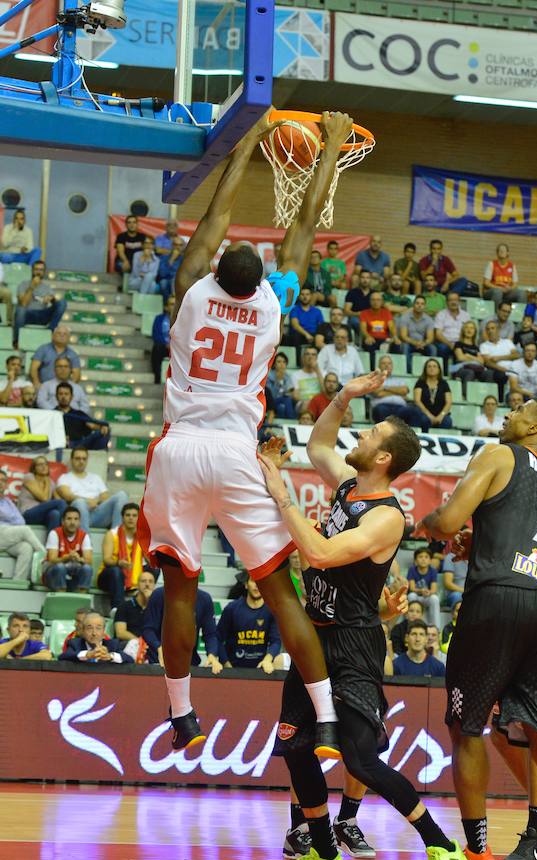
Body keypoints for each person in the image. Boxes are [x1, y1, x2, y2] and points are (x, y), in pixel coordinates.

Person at [138, 111, 357, 755]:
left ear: (213, 269)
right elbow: (306, 225)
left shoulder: (189, 290)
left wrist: (245, 144)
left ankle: (182, 716)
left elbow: (216, 218)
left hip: (180, 450)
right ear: (259, 278)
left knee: (180, 584)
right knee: (277, 588)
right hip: (238, 454)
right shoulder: (273, 302)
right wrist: (332, 149)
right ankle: (325, 718)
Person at [259, 373, 469, 860]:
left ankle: (444, 850)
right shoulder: (350, 485)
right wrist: (345, 396)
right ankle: (324, 856)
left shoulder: (387, 518)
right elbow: (319, 443)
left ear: (383, 459)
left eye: (371, 433)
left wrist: (281, 493)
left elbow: (321, 553)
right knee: (295, 747)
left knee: (358, 759)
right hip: (316, 635)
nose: (361, 435)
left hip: (353, 643)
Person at [417, 398, 537, 860]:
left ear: (535, 428)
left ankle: (479, 859)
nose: (507, 414)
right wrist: (481, 542)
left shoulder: (499, 456)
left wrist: (432, 525)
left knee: (466, 726)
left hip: (494, 601)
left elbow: (449, 519)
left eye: (518, 409)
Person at [142, 584, 222, 672]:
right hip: (158, 661)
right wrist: (159, 647)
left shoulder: (204, 599)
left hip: (189, 662)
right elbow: (148, 629)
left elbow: (210, 634)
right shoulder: (159, 595)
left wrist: (212, 654)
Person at [217, 575, 281, 672]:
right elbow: (218, 638)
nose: (257, 585)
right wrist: (226, 664)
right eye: (253, 581)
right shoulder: (232, 609)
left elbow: (276, 641)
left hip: (261, 669)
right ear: (246, 585)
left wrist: (268, 660)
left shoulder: (272, 610)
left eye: (261, 582)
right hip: (233, 669)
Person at [56, 448, 129, 533]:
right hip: (77, 514)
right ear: (71, 460)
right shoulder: (65, 478)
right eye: (78, 458)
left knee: (122, 495)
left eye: (84, 459)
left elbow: (105, 495)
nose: (81, 461)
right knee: (80, 502)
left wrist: (96, 501)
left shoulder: (95, 478)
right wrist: (86, 501)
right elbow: (67, 496)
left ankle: (117, 538)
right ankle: (85, 543)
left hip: (98, 513)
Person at [0, 468, 45, 581]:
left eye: (4, 480)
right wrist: (12, 520)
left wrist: (10, 521)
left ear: (6, 485)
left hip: (7, 536)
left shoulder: (8, 501)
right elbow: (7, 515)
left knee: (26, 548)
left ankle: (18, 582)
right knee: (25, 530)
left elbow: (21, 520)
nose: (1, 483)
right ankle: (45, 556)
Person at [97, 502, 143, 610]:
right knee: (116, 571)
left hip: (132, 574)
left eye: (134, 515)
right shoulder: (112, 534)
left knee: (153, 569)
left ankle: (142, 598)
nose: (131, 518)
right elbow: (107, 560)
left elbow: (149, 559)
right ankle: (118, 609)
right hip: (108, 576)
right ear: (122, 517)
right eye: (127, 515)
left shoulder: (142, 536)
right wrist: (119, 563)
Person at [14, 260, 66, 346]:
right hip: (27, 314)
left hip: (42, 315)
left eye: (41, 270)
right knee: (20, 310)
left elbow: (56, 306)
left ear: (44, 272)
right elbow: (23, 303)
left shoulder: (47, 287)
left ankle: (50, 331)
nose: (38, 272)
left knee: (62, 302)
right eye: (36, 269)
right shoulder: (23, 284)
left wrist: (51, 299)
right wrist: (32, 286)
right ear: (32, 270)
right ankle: (17, 341)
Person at [42, 505, 93, 593]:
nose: (72, 522)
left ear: (79, 522)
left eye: (76, 519)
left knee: (87, 568)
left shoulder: (84, 536)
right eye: (69, 519)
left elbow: (89, 561)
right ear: (62, 521)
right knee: (60, 567)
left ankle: (82, 597)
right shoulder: (55, 533)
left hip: (73, 573)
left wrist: (79, 559)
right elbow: (52, 560)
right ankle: (61, 596)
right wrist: (67, 557)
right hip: (53, 575)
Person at [59, 611, 134, 664]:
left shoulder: (112, 644)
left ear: (103, 631)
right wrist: (87, 655)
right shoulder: (75, 643)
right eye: (89, 628)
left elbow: (130, 660)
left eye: (98, 628)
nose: (94, 633)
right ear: (83, 630)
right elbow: (63, 657)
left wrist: (110, 656)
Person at [56, 383, 110, 451]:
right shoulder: (50, 414)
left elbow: (93, 426)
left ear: (71, 397)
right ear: (56, 396)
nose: (63, 397)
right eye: (60, 394)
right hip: (57, 445)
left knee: (104, 427)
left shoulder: (79, 414)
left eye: (66, 394)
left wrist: (102, 428)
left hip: (79, 445)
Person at [451, 320, 494, 397]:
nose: (469, 330)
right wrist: (475, 358)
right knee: (470, 372)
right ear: (463, 330)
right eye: (467, 327)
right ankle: (465, 396)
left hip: (476, 369)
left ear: (475, 332)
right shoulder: (458, 344)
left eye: (472, 328)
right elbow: (460, 358)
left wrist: (468, 356)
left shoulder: (476, 347)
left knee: (489, 373)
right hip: (461, 369)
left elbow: (481, 361)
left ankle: (488, 396)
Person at [369, 354, 414, 425]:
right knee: (381, 410)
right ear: (379, 366)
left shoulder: (399, 380)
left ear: (392, 366)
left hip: (400, 408)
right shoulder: (374, 379)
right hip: (382, 407)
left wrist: (384, 388)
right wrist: (398, 393)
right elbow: (378, 393)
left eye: (389, 363)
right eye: (383, 363)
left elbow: (404, 391)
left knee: (411, 411)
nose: (387, 365)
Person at [359, 292, 402, 365]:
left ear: (382, 302)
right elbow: (363, 329)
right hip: (371, 338)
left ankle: (393, 369)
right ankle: (373, 370)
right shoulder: (364, 313)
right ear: (370, 301)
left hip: (384, 339)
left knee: (397, 345)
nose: (376, 302)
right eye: (373, 300)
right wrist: (367, 336)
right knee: (369, 345)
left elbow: (391, 327)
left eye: (378, 300)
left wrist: (395, 336)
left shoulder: (386, 312)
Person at [479, 320, 520, 394]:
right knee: (500, 375)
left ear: (498, 330)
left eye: (492, 328)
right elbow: (488, 362)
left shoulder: (507, 342)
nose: (490, 331)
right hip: (498, 371)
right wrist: (504, 369)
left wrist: (498, 358)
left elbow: (516, 355)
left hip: (513, 369)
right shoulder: (484, 346)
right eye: (488, 329)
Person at [412, 358, 452, 432]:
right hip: (424, 413)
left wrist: (441, 415)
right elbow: (417, 401)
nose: (432, 368)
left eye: (434, 366)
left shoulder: (444, 383)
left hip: (440, 414)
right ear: (425, 369)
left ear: (439, 369)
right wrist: (429, 415)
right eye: (429, 366)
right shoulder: (420, 382)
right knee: (424, 420)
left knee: (447, 421)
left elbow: (448, 402)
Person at [114, 570, 156, 641]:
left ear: (154, 585)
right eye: (143, 581)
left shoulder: (157, 608)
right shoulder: (124, 606)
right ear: (137, 585)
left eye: (150, 581)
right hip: (130, 644)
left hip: (152, 646)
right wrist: (139, 643)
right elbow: (120, 633)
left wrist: (150, 601)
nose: (147, 584)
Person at [399, 294, 436, 372]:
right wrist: (415, 343)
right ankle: (408, 372)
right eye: (417, 303)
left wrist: (424, 343)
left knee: (433, 348)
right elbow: (403, 336)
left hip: (423, 344)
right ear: (413, 305)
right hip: (409, 343)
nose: (419, 306)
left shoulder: (429, 320)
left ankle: (430, 371)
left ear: (425, 306)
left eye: (422, 304)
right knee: (405, 347)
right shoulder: (405, 317)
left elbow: (430, 338)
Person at [433, 291, 470, 369]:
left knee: (466, 349)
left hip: (460, 343)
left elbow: (468, 332)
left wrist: (458, 345)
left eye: (455, 300)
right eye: (451, 300)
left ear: (459, 301)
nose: (453, 302)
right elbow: (438, 334)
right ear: (447, 302)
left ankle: (459, 374)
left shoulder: (466, 315)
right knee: (443, 348)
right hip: (445, 342)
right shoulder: (441, 314)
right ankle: (444, 372)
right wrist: (450, 344)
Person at [482, 243, 526, 307]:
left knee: (521, 293)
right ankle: (497, 315)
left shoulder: (512, 266)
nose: (502, 252)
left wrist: (510, 288)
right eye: (500, 250)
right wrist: (499, 288)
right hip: (492, 291)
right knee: (497, 292)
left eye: (503, 250)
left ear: (507, 253)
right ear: (497, 253)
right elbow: (486, 283)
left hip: (507, 291)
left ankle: (520, 315)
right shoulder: (491, 264)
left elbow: (515, 284)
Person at [407, 547, 441, 629]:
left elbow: (434, 589)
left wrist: (429, 592)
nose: (423, 559)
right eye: (420, 557)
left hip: (427, 597)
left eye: (426, 557)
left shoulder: (433, 571)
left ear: (430, 560)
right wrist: (421, 591)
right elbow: (412, 588)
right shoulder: (412, 570)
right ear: (415, 560)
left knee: (434, 598)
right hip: (417, 597)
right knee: (411, 596)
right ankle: (410, 625)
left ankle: (435, 628)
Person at [150, 295, 175, 385]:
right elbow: (155, 335)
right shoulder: (159, 318)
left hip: (177, 349)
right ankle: (157, 378)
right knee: (156, 348)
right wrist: (166, 344)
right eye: (171, 304)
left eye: (175, 304)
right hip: (164, 347)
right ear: (166, 307)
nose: (173, 306)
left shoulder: (182, 319)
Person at [267, 352, 296, 419]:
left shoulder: (287, 376)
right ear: (274, 364)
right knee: (287, 400)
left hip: (283, 402)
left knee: (282, 407)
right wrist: (278, 380)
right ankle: (292, 420)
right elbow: (270, 395)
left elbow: (290, 392)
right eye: (279, 362)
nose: (282, 364)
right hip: (271, 401)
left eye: (284, 362)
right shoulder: (269, 376)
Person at [157, 237, 185, 301]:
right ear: (172, 246)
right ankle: (168, 304)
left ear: (183, 247)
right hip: (167, 280)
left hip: (179, 282)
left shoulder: (185, 259)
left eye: (180, 245)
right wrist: (171, 259)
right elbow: (162, 274)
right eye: (175, 245)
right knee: (163, 283)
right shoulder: (164, 257)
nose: (177, 247)